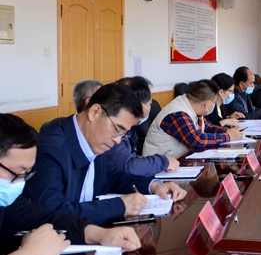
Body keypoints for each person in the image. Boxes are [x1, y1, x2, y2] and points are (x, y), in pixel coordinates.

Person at [0, 113, 141, 255]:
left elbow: (40, 217)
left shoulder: (7, 200)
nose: (21, 182)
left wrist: (97, 234)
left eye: (27, 174)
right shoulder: (55, 147)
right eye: (18, 173)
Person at [24, 84, 186, 224]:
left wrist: (154, 186)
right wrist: (119, 206)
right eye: (117, 129)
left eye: (123, 134)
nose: (118, 140)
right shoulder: (51, 149)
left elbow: (112, 177)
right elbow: (50, 212)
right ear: (94, 112)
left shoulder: (94, 139)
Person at [103, 77, 180, 177]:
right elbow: (129, 167)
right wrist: (163, 161)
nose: (150, 107)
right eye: (149, 104)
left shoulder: (131, 130)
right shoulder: (111, 130)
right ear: (139, 105)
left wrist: (152, 184)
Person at [144, 79, 243, 158]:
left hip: (176, 161)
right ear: (207, 104)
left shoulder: (192, 108)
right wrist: (228, 136)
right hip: (159, 167)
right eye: (214, 103)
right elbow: (197, 140)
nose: (214, 106)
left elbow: (208, 127)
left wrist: (227, 131)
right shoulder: (178, 114)